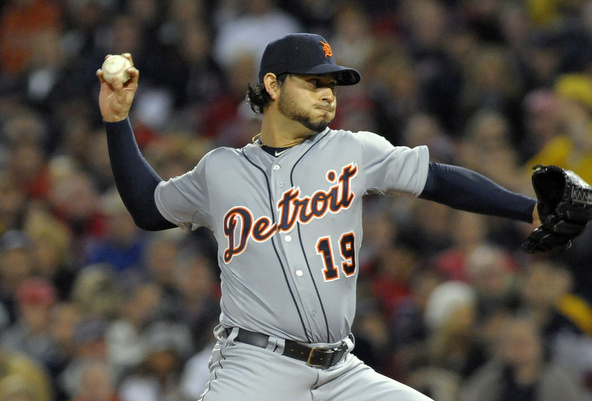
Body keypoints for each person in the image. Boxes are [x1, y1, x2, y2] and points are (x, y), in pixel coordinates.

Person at [97, 33, 545, 401]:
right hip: (256, 368)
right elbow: (147, 207)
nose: (328, 94)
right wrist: (117, 121)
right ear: (272, 85)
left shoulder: (353, 149)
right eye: (313, 82)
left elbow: (440, 180)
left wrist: (529, 209)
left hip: (341, 371)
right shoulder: (221, 169)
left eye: (331, 84)